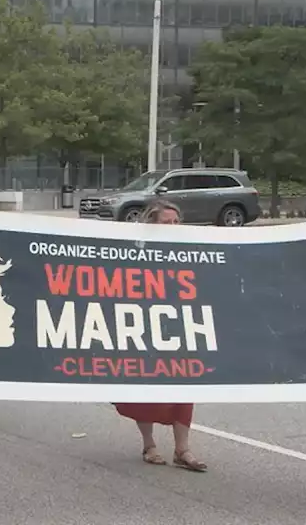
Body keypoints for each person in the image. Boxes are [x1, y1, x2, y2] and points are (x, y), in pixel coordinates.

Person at [112, 200, 205, 471]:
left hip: (179, 327)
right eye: (167, 222)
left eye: (177, 222)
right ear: (152, 224)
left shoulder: (188, 250)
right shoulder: (135, 251)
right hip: (145, 326)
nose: (174, 227)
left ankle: (182, 449)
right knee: (145, 388)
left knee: (184, 386)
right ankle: (149, 444)